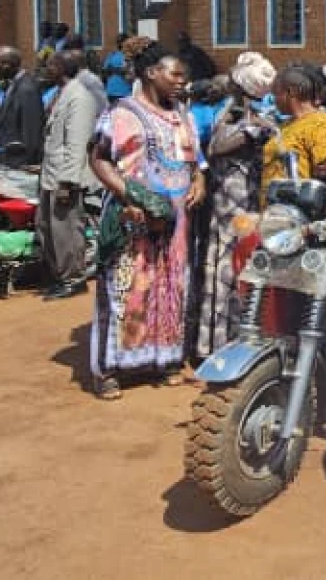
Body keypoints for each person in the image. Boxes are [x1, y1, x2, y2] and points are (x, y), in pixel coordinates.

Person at [87, 39, 205, 400]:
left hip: (177, 221)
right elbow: (99, 158)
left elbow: (193, 159)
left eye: (184, 76)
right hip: (133, 217)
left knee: (171, 286)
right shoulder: (121, 113)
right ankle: (108, 369)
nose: (182, 81)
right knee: (127, 288)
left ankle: (165, 360)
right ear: (152, 74)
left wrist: (199, 179)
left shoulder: (182, 113)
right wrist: (128, 194)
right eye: (176, 75)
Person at [192, 54, 277, 360]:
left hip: (243, 203)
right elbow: (216, 146)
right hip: (230, 202)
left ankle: (227, 342)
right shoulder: (237, 115)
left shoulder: (256, 118)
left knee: (235, 267)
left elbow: (217, 147)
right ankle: (217, 344)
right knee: (226, 266)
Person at [39, 49, 101, 301]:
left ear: (63, 69)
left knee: (66, 232)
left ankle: (73, 278)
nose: (45, 70)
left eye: (50, 66)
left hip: (65, 177)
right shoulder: (61, 94)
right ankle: (59, 276)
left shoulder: (80, 97)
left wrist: (68, 182)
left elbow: (77, 143)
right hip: (50, 172)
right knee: (48, 229)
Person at [263, 63, 326, 187]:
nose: (273, 99)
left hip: (297, 205)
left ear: (291, 92)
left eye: (276, 93)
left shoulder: (322, 126)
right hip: (274, 205)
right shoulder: (287, 125)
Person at [0, 47, 45, 166]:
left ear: (7, 65)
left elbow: (31, 131)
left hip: (17, 163)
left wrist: (26, 164)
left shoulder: (26, 89)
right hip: (5, 160)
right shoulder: (13, 85)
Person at [101, 32, 133, 103]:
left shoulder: (111, 56)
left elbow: (104, 72)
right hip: (124, 93)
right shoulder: (129, 57)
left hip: (111, 92)